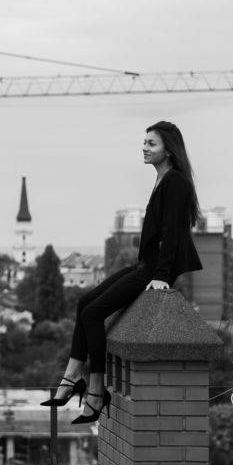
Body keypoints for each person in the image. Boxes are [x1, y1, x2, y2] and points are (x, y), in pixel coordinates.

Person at [41, 120, 203, 423]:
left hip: (155, 270)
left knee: (93, 314)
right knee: (84, 303)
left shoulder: (175, 182)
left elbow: (172, 232)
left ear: (168, 150)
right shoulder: (163, 178)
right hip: (145, 264)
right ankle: (72, 376)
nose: (144, 148)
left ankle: (95, 389)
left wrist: (161, 276)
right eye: (144, 142)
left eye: (151, 143)